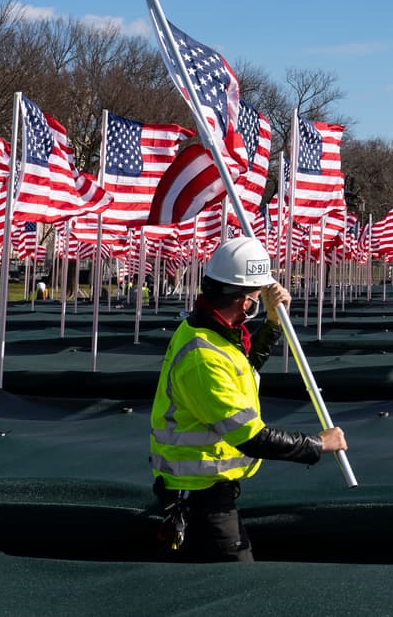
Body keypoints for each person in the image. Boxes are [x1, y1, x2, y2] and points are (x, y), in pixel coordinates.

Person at [149, 236, 347, 562]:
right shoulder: (203, 355)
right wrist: (318, 444)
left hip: (205, 491)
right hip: (200, 501)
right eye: (256, 297)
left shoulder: (212, 334)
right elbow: (252, 438)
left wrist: (272, 322)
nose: (258, 302)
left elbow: (246, 364)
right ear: (244, 302)